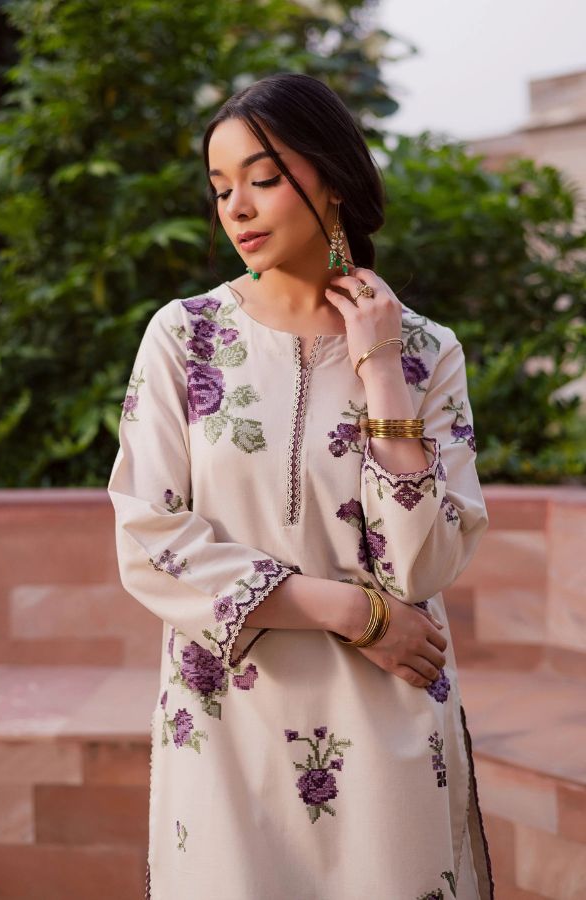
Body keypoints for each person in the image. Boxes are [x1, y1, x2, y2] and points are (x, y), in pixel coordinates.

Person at [107, 72, 494, 899]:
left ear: (333, 178)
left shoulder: (427, 352)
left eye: (263, 178)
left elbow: (422, 567)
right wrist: (354, 612)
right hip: (227, 724)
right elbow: (148, 540)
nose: (237, 208)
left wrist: (380, 368)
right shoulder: (185, 336)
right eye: (221, 188)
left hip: (386, 727)